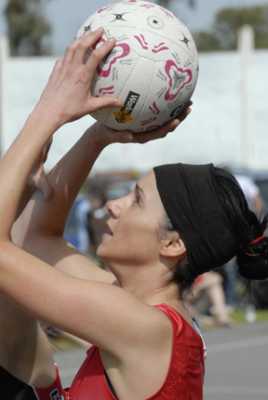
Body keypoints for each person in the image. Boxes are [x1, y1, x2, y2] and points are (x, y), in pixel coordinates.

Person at [0, 28, 268, 400]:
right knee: (11, 320)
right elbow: (37, 239)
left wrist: (49, 111)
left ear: (172, 242)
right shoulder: (139, 311)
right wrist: (101, 134)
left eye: (136, 200)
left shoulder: (144, 327)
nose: (114, 205)